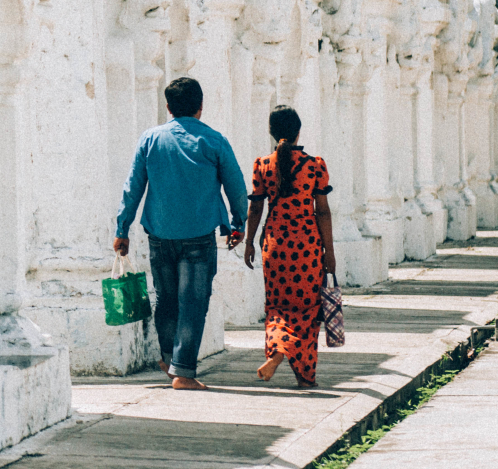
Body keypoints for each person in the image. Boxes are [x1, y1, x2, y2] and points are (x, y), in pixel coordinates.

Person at [113, 77, 247, 390]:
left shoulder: (151, 139)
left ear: (169, 107)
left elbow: (132, 187)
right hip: (199, 236)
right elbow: (237, 188)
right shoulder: (214, 141)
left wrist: (122, 229)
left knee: (167, 300)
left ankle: (168, 356)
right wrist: (238, 223)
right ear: (200, 107)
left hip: (159, 234)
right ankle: (183, 372)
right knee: (194, 302)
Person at [242, 105, 337, 388]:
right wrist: (329, 252)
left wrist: (249, 243)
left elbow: (255, 209)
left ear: (272, 133)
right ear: (298, 133)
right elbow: (323, 211)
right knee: (307, 310)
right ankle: (303, 374)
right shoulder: (314, 165)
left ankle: (278, 349)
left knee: (277, 307)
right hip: (307, 245)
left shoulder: (262, 165)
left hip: (275, 245)